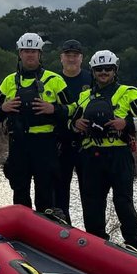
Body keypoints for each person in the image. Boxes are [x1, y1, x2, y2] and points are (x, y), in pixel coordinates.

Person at [70, 50, 137, 249]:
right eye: (99, 69)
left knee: (123, 202)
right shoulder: (84, 97)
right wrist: (77, 125)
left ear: (115, 70)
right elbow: (70, 124)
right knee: (92, 204)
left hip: (119, 156)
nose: (103, 72)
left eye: (107, 69)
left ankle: (133, 244)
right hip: (91, 158)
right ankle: (96, 246)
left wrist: (126, 123)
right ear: (93, 71)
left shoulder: (129, 93)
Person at [0, 32, 73, 214]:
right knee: (19, 191)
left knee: (45, 193)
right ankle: (21, 234)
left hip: (45, 143)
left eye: (34, 51)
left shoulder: (54, 80)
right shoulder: (9, 81)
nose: (30, 55)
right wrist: (3, 108)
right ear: (20, 54)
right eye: (26, 51)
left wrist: (54, 109)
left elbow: (74, 109)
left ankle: (44, 235)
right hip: (18, 142)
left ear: (40, 54)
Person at [55, 39, 90, 223]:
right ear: (61, 58)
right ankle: (63, 231)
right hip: (61, 144)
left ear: (81, 58)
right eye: (68, 55)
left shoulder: (91, 79)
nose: (71, 59)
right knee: (60, 192)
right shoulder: (53, 80)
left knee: (90, 192)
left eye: (75, 55)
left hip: (87, 144)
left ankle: (93, 235)